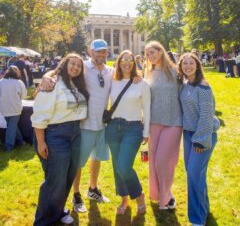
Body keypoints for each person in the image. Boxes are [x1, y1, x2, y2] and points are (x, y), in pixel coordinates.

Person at [42, 39, 114, 213]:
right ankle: (76, 195)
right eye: (98, 52)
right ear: (91, 52)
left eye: (103, 51)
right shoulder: (83, 66)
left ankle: (93, 189)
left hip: (102, 123)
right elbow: (63, 69)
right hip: (84, 123)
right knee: (78, 163)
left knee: (97, 158)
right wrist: (47, 75)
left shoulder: (110, 70)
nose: (101, 55)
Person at [31, 53, 88, 225]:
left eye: (79, 66)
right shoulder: (52, 82)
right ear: (64, 63)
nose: (75, 67)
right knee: (55, 179)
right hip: (56, 134)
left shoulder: (76, 84)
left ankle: (58, 211)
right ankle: (43, 221)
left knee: (69, 175)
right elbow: (39, 114)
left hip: (75, 133)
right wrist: (41, 142)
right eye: (72, 63)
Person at [105, 50, 150, 214]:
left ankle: (139, 195)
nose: (126, 62)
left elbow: (147, 108)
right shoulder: (112, 80)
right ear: (118, 62)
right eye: (122, 59)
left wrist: (146, 132)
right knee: (117, 166)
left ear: (134, 63)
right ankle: (124, 199)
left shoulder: (141, 83)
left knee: (124, 166)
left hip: (133, 128)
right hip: (113, 128)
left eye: (130, 60)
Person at [178, 53, 220, 226]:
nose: (188, 66)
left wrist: (201, 140)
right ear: (180, 66)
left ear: (197, 65)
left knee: (194, 174)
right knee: (195, 175)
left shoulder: (203, 86)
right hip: (188, 135)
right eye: (185, 63)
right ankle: (203, 208)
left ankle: (197, 219)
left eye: (191, 63)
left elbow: (206, 115)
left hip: (202, 136)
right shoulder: (185, 84)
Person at [145, 41, 182, 210]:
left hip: (174, 121)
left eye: (153, 52)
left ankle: (165, 197)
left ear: (161, 51)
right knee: (153, 161)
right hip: (154, 122)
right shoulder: (148, 73)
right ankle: (160, 194)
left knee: (163, 160)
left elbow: (186, 92)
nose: (150, 56)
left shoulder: (176, 72)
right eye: (147, 54)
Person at [0, 66, 27, 151]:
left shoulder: (1, 82)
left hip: (3, 108)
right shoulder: (19, 83)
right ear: (17, 72)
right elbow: (24, 96)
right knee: (11, 126)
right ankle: (8, 147)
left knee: (12, 126)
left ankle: (21, 142)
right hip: (15, 108)